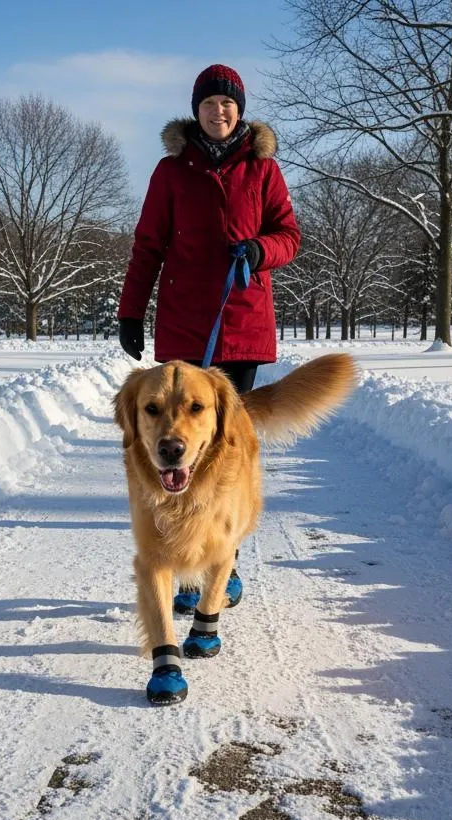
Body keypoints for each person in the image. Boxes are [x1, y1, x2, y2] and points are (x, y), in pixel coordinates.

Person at [117, 63, 301, 613]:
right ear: (195, 111)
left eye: (228, 104)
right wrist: (131, 311)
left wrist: (259, 249)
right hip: (183, 326)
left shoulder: (263, 170)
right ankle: (179, 559)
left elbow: (289, 235)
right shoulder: (171, 170)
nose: (219, 112)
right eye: (209, 104)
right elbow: (148, 243)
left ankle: (224, 562)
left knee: (227, 449)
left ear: (239, 110)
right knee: (177, 442)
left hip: (241, 320)